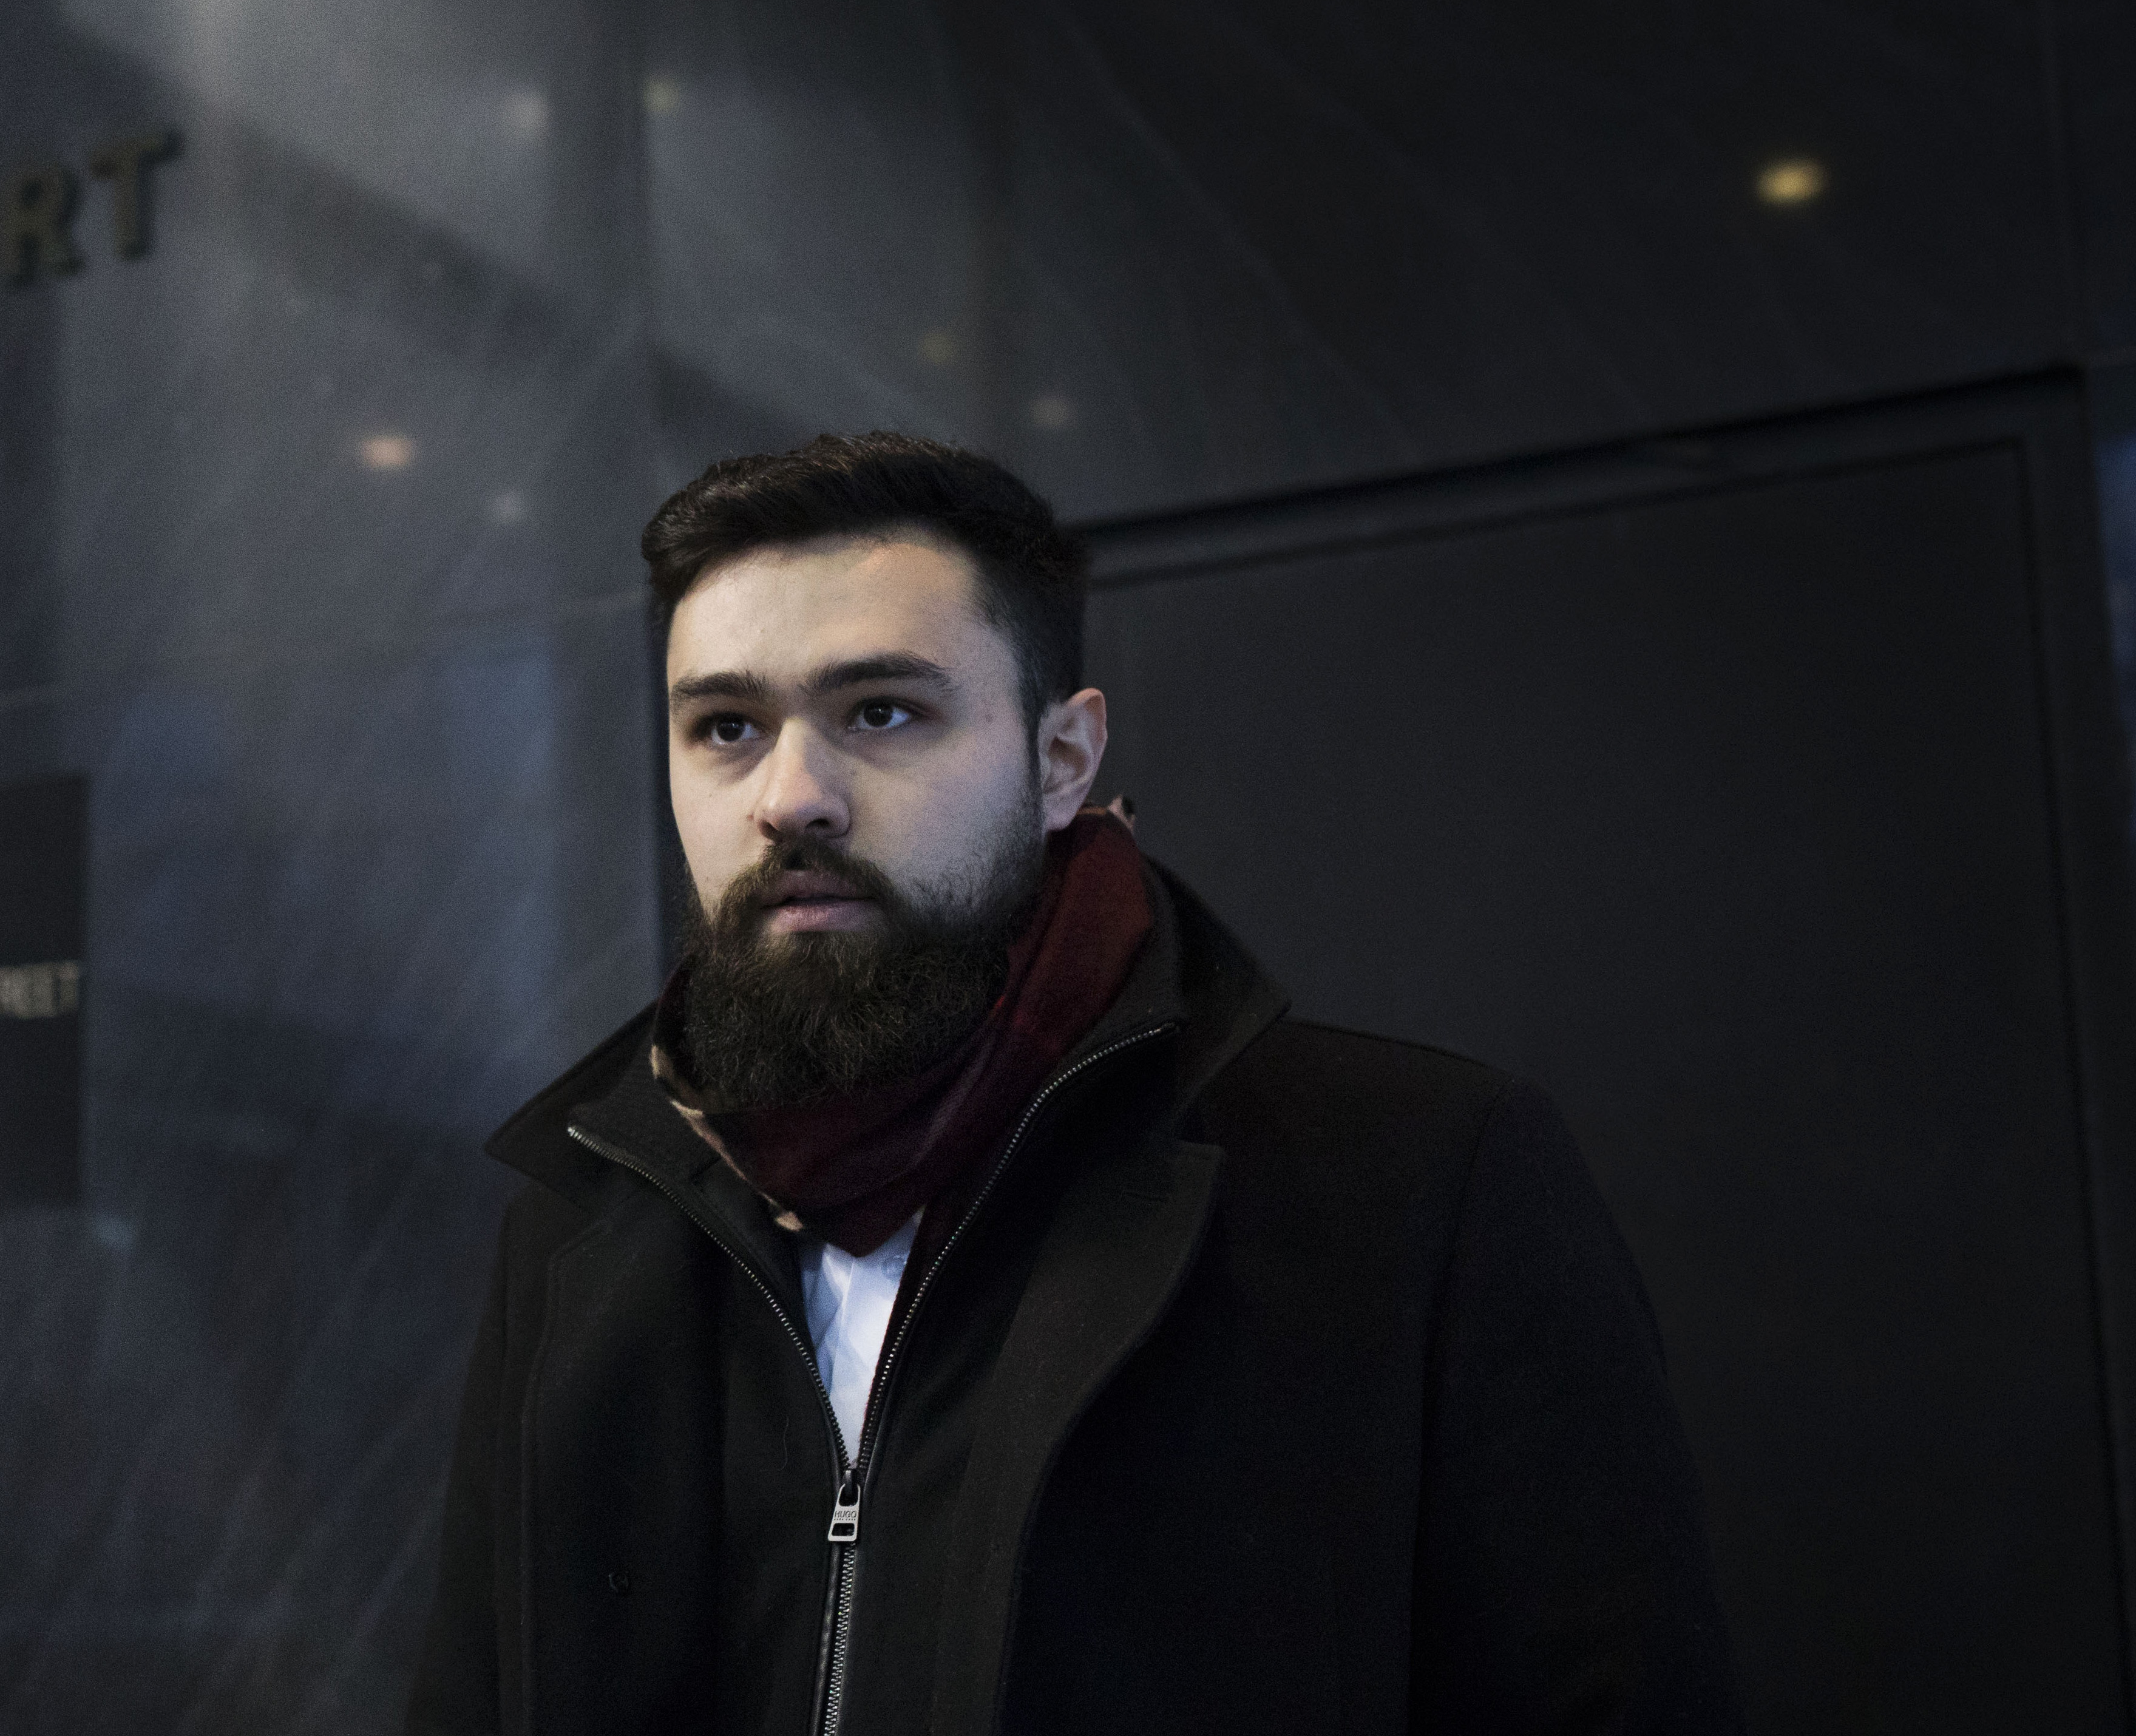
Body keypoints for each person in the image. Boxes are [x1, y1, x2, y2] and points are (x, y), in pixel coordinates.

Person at [406, 433, 1741, 1734]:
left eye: (882, 712)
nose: (792, 795)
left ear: (1063, 759)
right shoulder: (590, 1221)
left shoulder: (1410, 1180)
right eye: (726, 727)